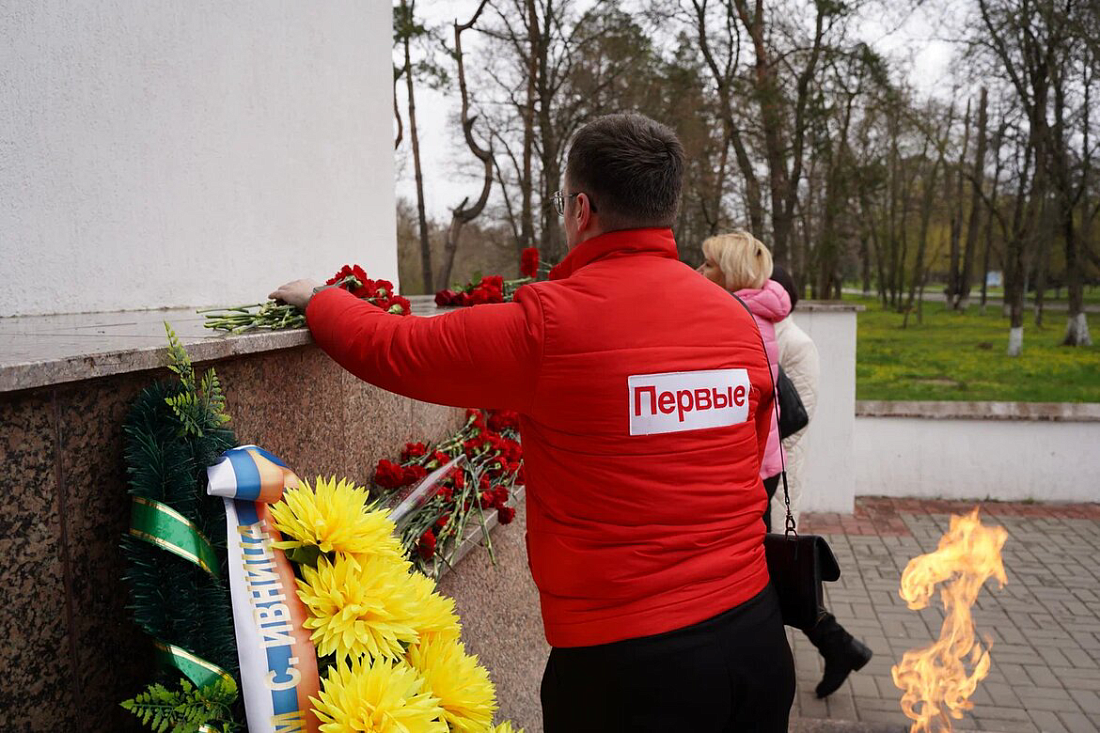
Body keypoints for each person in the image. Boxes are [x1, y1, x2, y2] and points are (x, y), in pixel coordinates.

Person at [271, 113, 794, 732]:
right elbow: (750, 451)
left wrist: (321, 299)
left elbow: (396, 348)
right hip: (757, 639)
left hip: (629, 669)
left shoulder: (551, 324)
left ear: (581, 209)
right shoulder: (737, 321)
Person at [768, 266, 873, 699]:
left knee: (777, 575)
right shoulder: (757, 332)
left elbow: (796, 419)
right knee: (774, 576)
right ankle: (839, 647)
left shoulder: (797, 344)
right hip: (761, 474)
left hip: (777, 477)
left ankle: (837, 646)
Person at [697, 231, 791, 528]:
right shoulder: (754, 313)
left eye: (708, 264)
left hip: (750, 462)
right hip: (762, 456)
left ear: (731, 273)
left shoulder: (739, 319)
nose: (699, 271)